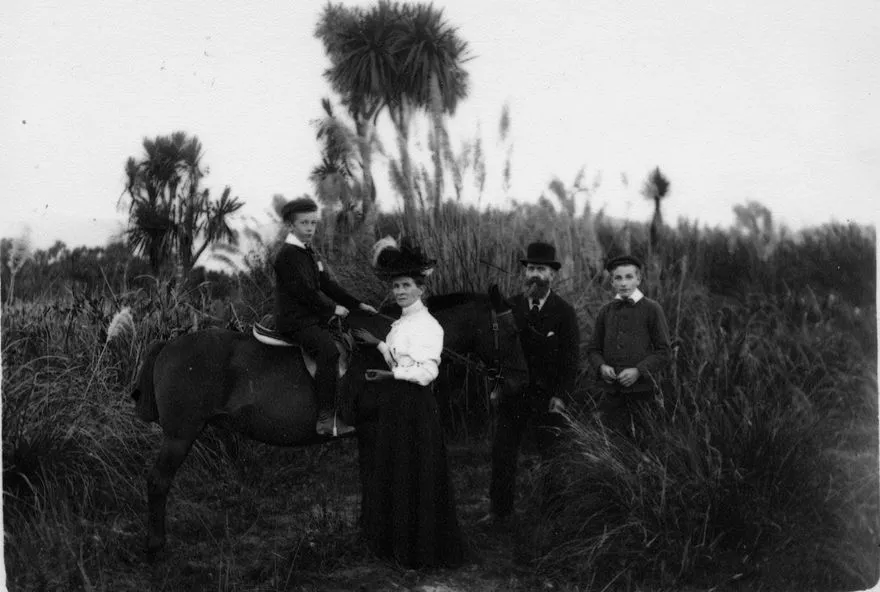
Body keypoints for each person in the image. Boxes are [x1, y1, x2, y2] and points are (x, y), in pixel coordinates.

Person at [352, 237, 465, 568]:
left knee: (415, 474)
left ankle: (421, 553)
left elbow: (427, 371)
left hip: (416, 407)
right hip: (396, 405)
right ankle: (398, 548)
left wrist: (392, 377)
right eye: (396, 286)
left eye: (405, 286)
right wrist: (382, 347)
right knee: (397, 472)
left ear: (420, 289)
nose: (399, 291)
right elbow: (400, 362)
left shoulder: (429, 325)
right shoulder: (399, 324)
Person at [482, 241, 580, 524]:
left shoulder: (564, 311)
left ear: (553, 275)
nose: (535, 274)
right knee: (502, 452)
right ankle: (499, 511)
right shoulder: (509, 306)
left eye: (542, 269)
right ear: (525, 273)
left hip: (547, 396)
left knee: (551, 454)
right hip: (513, 394)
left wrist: (561, 396)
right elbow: (496, 353)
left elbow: (571, 359)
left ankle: (553, 515)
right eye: (531, 269)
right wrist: (498, 386)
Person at [273, 197, 377, 437]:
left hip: (309, 317)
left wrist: (357, 304)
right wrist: (332, 310)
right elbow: (304, 292)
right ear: (290, 226)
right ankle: (325, 419)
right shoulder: (287, 255)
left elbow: (326, 284)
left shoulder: (308, 252)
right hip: (294, 321)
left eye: (313, 223)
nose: (310, 228)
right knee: (328, 351)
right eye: (304, 223)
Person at [586, 254, 671, 437]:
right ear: (612, 282)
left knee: (641, 440)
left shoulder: (652, 309)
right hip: (612, 392)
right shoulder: (606, 311)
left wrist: (638, 371)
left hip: (642, 392)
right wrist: (601, 366)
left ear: (638, 279)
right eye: (618, 278)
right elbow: (593, 349)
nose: (624, 283)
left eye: (629, 277)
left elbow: (664, 352)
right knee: (611, 438)